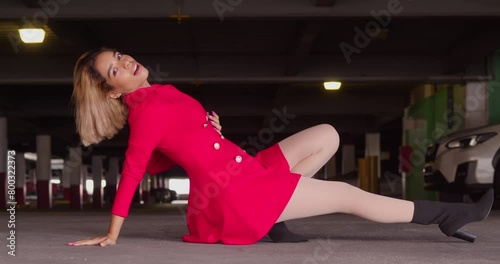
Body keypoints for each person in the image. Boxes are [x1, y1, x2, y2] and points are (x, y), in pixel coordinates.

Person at [68, 47, 494, 247]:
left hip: (243, 169)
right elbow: (137, 167)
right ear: (111, 92)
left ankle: (277, 221)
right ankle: (446, 216)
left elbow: (166, 155)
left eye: (120, 56)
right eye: (114, 69)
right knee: (346, 195)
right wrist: (112, 231)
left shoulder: (160, 93)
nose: (125, 63)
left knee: (326, 134)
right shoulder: (144, 111)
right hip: (235, 193)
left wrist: (207, 130)